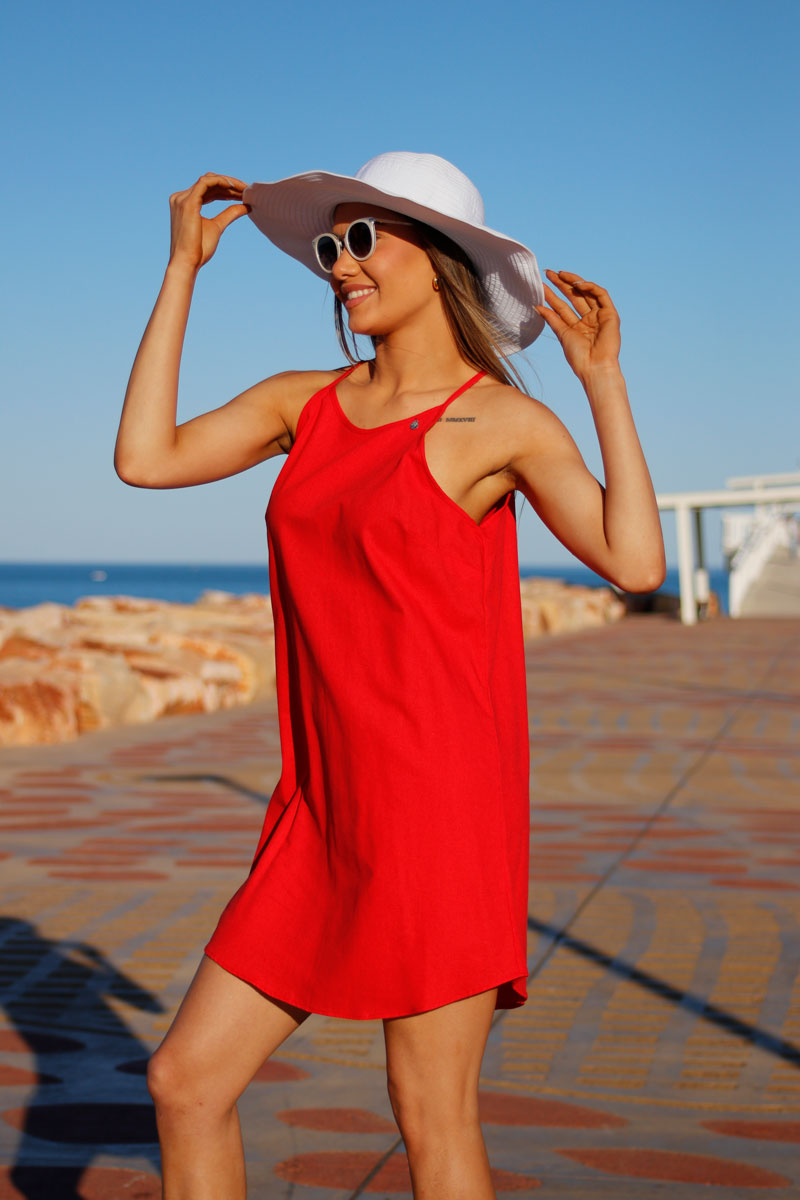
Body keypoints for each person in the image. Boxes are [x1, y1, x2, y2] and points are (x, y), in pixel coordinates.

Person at [115, 151, 665, 1200]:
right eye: (330, 245)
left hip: (435, 815)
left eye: (362, 240)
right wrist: (182, 271)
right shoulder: (304, 405)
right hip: (316, 812)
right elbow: (145, 459)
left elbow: (635, 564)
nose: (339, 266)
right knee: (184, 1080)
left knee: (429, 1117)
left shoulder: (499, 424)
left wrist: (603, 387)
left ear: (440, 257)